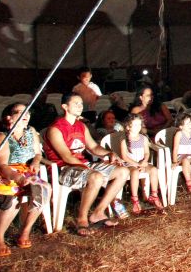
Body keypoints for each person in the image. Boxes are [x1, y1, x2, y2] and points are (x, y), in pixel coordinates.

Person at [43, 93, 130, 235]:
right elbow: (67, 157)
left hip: (82, 165)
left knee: (123, 172)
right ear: (65, 107)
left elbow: (94, 147)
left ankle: (98, 212)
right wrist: (89, 168)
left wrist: (109, 153)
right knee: (95, 176)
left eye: (81, 104)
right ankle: (82, 219)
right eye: (76, 103)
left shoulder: (81, 126)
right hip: (64, 168)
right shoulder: (55, 129)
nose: (80, 106)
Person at [0, 103, 51, 256]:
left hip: (24, 171)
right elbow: (1, 166)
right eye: (19, 112)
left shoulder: (31, 132)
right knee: (15, 193)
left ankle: (25, 230)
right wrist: (16, 177)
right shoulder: (1, 136)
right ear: (8, 117)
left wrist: (35, 162)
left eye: (27, 112)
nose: (25, 115)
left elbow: (38, 154)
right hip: (1, 173)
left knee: (45, 188)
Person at [118, 114, 164, 213]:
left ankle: (154, 195)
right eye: (135, 125)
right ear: (128, 127)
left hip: (142, 162)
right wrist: (137, 164)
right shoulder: (124, 140)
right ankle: (135, 199)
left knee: (154, 170)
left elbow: (147, 152)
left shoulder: (143, 138)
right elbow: (124, 157)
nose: (138, 127)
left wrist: (144, 161)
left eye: (139, 124)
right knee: (135, 173)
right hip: (130, 164)